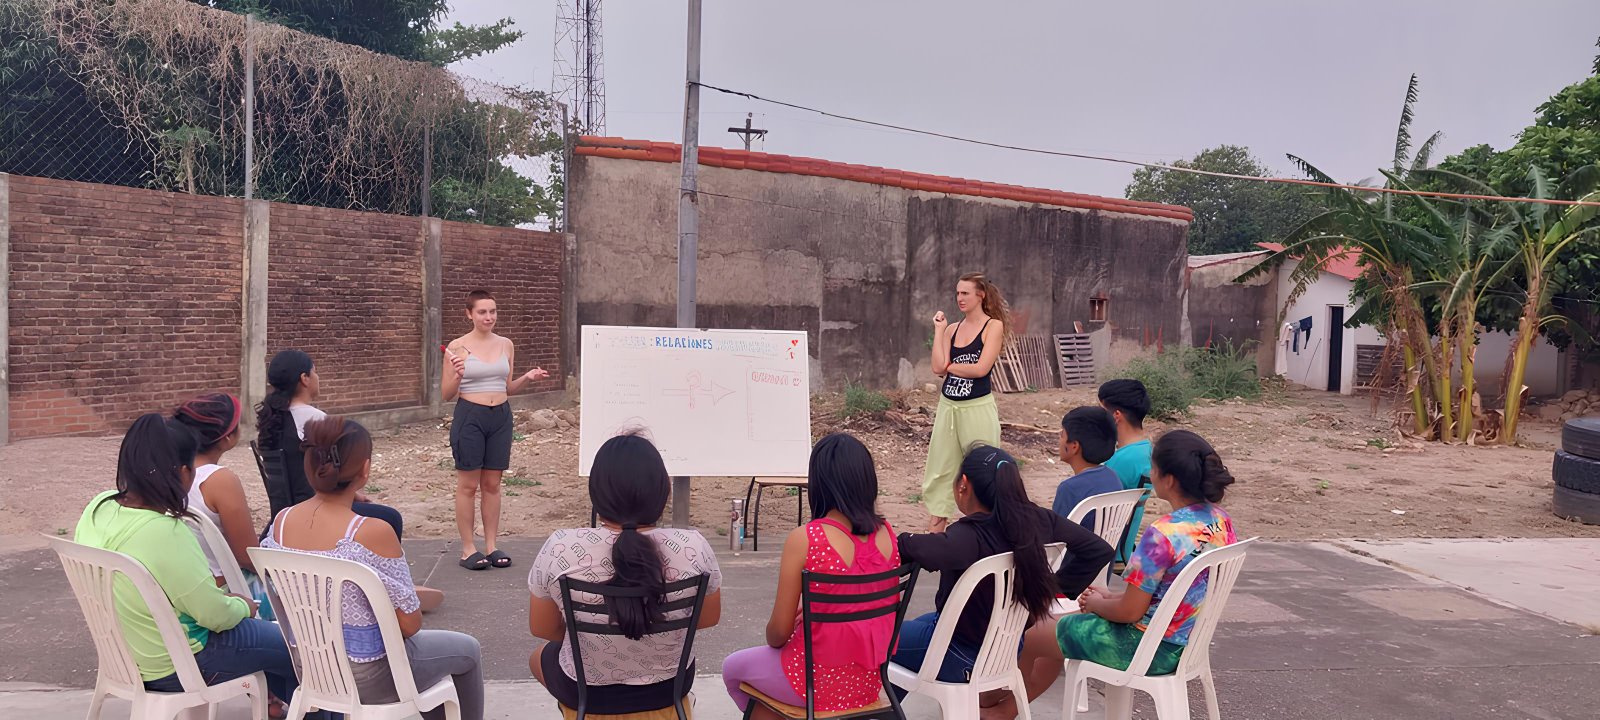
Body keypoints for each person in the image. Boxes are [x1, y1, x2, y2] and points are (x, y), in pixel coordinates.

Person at [73, 414, 313, 716]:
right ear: (185, 473)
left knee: (277, 650)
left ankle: (284, 705)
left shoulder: (99, 506)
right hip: (180, 662)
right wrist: (243, 606)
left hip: (127, 654)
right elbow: (213, 615)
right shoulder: (166, 530)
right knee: (301, 646)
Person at [262, 416, 485, 720]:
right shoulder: (370, 531)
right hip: (369, 675)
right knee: (466, 650)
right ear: (365, 470)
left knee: (427, 660)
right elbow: (409, 625)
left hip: (311, 669)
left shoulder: (282, 522)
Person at [1017, 430, 1238, 706]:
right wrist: (1107, 598)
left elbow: (1128, 612)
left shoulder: (1163, 533)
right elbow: (1164, 594)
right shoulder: (1220, 520)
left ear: (1169, 480)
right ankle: (1008, 708)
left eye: (1153, 467)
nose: (1150, 473)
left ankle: (1004, 709)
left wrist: (1097, 604)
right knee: (1057, 628)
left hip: (1141, 647)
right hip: (1184, 642)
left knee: (1027, 634)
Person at [893, 445, 1114, 720]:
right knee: (915, 628)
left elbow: (915, 548)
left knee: (879, 641)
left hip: (959, 653)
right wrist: (1050, 590)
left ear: (963, 485)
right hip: (1007, 648)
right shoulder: (1037, 519)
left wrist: (895, 539)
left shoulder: (967, 536)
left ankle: (883, 710)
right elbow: (1099, 550)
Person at [527, 434, 722, 716]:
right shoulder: (694, 546)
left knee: (539, 658)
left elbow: (544, 629)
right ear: (662, 490)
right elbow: (706, 619)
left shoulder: (560, 547)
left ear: (597, 492)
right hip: (667, 688)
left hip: (587, 694)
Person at [723, 434, 901, 718]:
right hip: (870, 684)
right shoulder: (887, 534)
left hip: (810, 684)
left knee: (733, 669)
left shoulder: (806, 539)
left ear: (819, 484)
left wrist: (796, 619)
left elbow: (778, 634)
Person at [257, 349, 440, 610]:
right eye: (315, 371)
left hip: (284, 510)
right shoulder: (314, 420)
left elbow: (301, 471)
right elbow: (329, 465)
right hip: (317, 506)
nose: (317, 377)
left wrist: (350, 495)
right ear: (305, 379)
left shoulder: (271, 420)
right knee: (388, 517)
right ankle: (385, 590)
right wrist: (348, 492)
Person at [443, 289, 549, 570]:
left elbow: (507, 388)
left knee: (493, 485)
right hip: (470, 415)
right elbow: (445, 394)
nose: (488, 317)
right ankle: (468, 549)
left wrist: (527, 377)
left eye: (492, 311)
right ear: (469, 314)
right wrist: (458, 375)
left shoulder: (506, 344)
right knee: (468, 486)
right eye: (482, 312)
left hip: (500, 416)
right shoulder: (457, 347)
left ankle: (490, 545)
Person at [922, 272, 1009, 533]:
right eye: (958, 293)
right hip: (948, 409)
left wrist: (951, 366)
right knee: (940, 470)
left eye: (965, 293)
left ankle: (988, 535)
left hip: (976, 408)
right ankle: (936, 536)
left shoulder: (992, 326)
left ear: (980, 295)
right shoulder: (951, 329)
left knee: (985, 469)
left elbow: (981, 369)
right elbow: (938, 367)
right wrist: (939, 331)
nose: (959, 298)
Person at [1099, 379, 1154, 561]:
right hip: (1125, 549)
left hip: (1107, 553)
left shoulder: (1121, 461)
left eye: (1100, 410)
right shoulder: (1147, 451)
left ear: (1116, 415)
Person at [1050, 406, 1123, 531]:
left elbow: (1055, 538)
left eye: (1062, 435)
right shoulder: (1112, 477)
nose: (1059, 440)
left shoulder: (1069, 489)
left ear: (1074, 446)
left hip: (1074, 550)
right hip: (1106, 550)